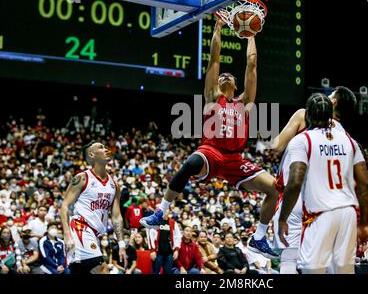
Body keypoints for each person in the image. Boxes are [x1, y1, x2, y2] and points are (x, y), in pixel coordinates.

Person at [141, 18, 279, 259]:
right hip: (211, 150)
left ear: (236, 85)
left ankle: (258, 238)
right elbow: (214, 59)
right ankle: (161, 212)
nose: (224, 76)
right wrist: (217, 29)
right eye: (222, 76)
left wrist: (250, 34)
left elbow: (252, 64)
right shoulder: (213, 97)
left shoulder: (244, 103)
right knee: (191, 163)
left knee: (276, 189)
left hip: (235, 159)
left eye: (229, 76)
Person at [272, 86, 368, 273]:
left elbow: (276, 147)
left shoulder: (303, 117)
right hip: (338, 206)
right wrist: (364, 222)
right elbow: (364, 184)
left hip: (300, 198)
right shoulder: (349, 140)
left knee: (290, 260)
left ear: (332, 102)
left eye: (330, 94)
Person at [61, 142, 127, 274]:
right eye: (101, 147)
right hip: (80, 228)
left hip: (95, 234)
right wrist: (67, 234)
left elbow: (116, 216)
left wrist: (121, 244)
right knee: (102, 268)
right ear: (92, 154)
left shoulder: (115, 185)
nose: (106, 149)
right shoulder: (82, 178)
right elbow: (64, 206)